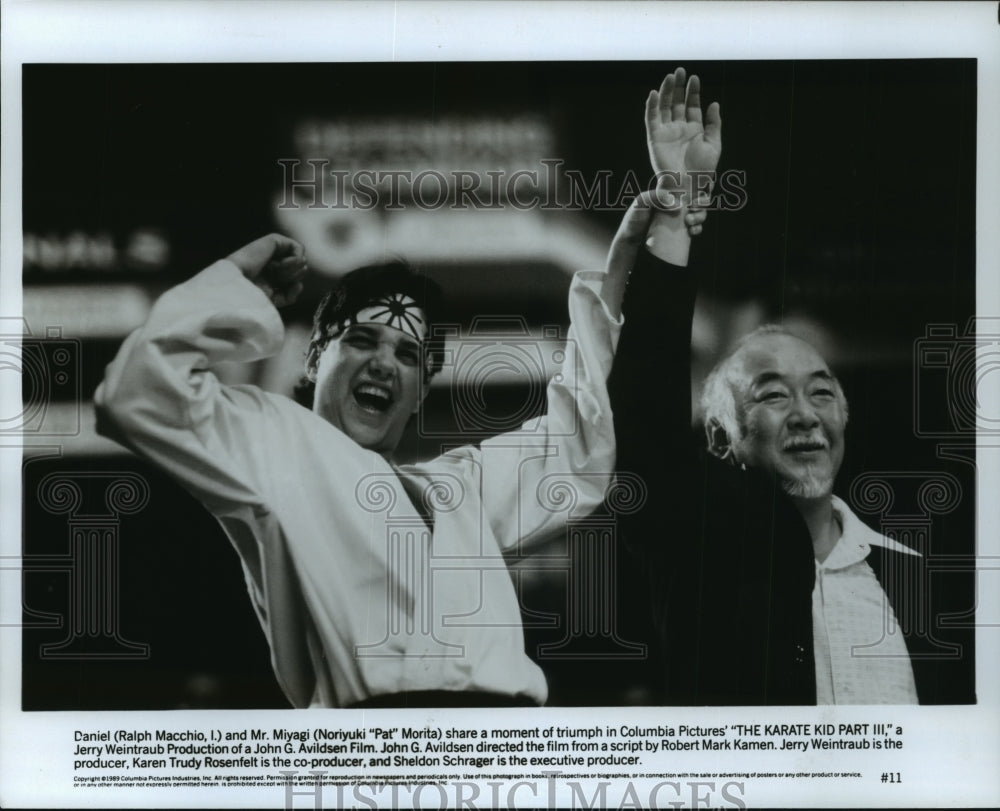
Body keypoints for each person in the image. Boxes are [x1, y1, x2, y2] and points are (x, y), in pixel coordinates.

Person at [93, 151, 694, 707]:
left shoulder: (461, 487)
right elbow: (135, 393)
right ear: (311, 359)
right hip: (379, 759)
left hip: (505, 756)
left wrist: (636, 255)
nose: (385, 362)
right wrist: (234, 288)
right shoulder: (277, 444)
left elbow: (580, 442)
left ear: (417, 396)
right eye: (360, 340)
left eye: (409, 355)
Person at [610, 68, 957, 704]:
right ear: (722, 436)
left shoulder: (917, 576)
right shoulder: (696, 550)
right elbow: (643, 414)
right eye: (771, 394)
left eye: (821, 392)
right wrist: (677, 207)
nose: (805, 414)